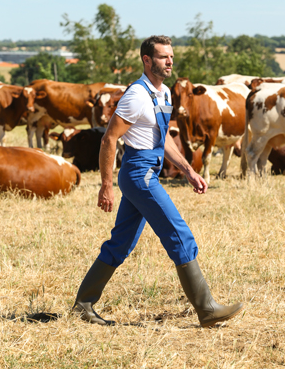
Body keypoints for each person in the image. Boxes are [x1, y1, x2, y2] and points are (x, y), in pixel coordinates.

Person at [73, 35, 243, 327]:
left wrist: (188, 170)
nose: (170, 62)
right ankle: (207, 309)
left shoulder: (163, 94)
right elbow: (109, 139)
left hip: (148, 171)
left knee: (120, 244)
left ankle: (83, 305)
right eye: (164, 57)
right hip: (139, 174)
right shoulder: (136, 95)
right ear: (147, 60)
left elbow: (162, 137)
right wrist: (105, 185)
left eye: (171, 57)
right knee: (179, 235)